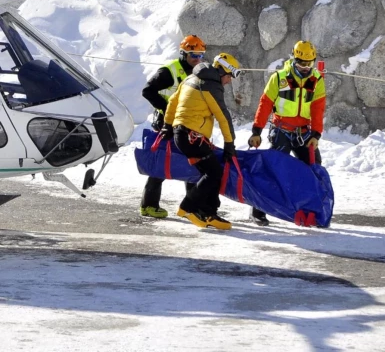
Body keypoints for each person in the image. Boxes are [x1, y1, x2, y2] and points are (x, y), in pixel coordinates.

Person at [248, 40, 326, 226]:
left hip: (304, 133)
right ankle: (257, 211)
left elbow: (318, 109)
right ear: (293, 59)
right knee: (272, 171)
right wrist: (256, 131)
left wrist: (316, 135)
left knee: (313, 169)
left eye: (309, 63)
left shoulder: (316, 80)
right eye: (301, 63)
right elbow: (265, 104)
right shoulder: (279, 77)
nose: (306, 68)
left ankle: (308, 211)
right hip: (282, 130)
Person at [161, 53, 242, 230]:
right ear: (222, 72)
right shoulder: (211, 85)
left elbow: (173, 102)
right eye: (229, 77)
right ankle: (187, 207)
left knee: (212, 171)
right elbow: (223, 117)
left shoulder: (192, 77)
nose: (228, 82)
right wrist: (230, 144)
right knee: (213, 173)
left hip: (182, 133)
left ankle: (208, 212)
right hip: (192, 136)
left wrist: (167, 125)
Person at [139, 35, 207, 218]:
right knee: (162, 164)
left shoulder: (198, 72)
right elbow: (147, 91)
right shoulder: (170, 71)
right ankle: (149, 205)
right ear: (184, 54)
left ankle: (191, 206)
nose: (197, 59)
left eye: (200, 55)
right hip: (167, 125)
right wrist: (166, 108)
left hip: (187, 124)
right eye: (193, 55)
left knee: (192, 164)